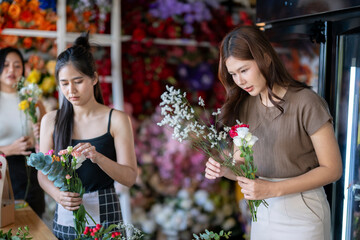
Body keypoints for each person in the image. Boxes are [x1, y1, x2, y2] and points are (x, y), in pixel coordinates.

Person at [204, 26, 342, 239]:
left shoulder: (306, 102)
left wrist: (273, 190)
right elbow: (241, 165)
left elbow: (332, 169)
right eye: (233, 74)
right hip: (264, 212)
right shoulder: (244, 106)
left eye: (244, 70)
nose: (239, 81)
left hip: (303, 212)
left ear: (265, 58)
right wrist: (224, 169)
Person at [38, 33, 138, 240]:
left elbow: (129, 178)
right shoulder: (51, 120)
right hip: (66, 212)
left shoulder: (116, 119)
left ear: (94, 77)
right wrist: (58, 196)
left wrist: (98, 157)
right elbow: (42, 174)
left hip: (107, 212)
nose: (71, 90)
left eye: (78, 81)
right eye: (64, 83)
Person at [0, 47, 46, 217]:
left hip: (29, 174)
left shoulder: (32, 99)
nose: (11, 70)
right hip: (2, 173)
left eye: (17, 65)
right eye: (5, 65)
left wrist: (41, 132)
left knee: (34, 225)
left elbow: (49, 136)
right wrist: (9, 149)